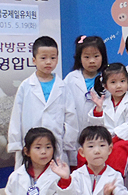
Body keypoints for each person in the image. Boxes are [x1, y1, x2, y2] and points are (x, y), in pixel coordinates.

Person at [7, 36, 77, 168]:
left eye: (53, 58)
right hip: (31, 144)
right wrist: (16, 143)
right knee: (30, 174)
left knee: (56, 176)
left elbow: (71, 117)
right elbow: (16, 116)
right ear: (34, 60)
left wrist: (68, 142)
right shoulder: (26, 86)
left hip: (55, 143)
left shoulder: (63, 86)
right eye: (43, 58)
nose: (48, 62)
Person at [64, 35, 109, 166]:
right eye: (87, 57)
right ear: (79, 58)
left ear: (103, 56)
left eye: (96, 56)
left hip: (100, 132)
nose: (92, 61)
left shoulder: (107, 79)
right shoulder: (71, 79)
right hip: (75, 132)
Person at [88, 63, 128, 175]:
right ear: (105, 86)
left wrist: (114, 137)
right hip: (106, 139)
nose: (118, 86)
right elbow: (96, 126)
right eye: (113, 82)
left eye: (122, 81)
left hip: (125, 139)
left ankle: (115, 177)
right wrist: (98, 110)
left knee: (117, 149)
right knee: (90, 149)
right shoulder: (104, 102)